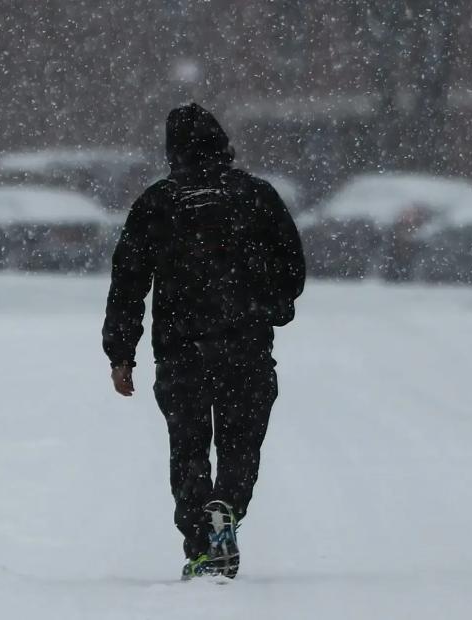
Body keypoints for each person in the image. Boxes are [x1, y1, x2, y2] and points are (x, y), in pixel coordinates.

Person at [102, 103, 306, 579]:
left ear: (173, 151)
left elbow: (128, 282)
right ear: (222, 143)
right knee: (240, 444)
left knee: (189, 449)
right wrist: (274, 304)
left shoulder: (158, 203)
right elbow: (292, 269)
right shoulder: (257, 197)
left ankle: (200, 546)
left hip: (180, 349)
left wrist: (121, 353)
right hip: (246, 345)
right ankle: (226, 505)